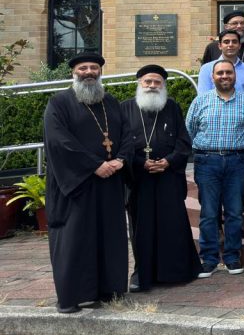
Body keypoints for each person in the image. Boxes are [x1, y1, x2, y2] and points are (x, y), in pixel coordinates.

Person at [42, 53, 130, 313]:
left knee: (109, 237)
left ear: (100, 72)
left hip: (110, 182)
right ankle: (71, 297)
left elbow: (128, 134)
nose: (89, 72)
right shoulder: (58, 103)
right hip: (76, 185)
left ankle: (107, 290)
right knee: (75, 240)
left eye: (94, 67)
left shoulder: (111, 102)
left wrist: (121, 159)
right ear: (74, 72)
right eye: (83, 68)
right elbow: (59, 142)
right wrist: (94, 165)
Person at [121, 65, 199, 293]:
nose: (152, 86)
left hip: (168, 177)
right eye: (148, 82)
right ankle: (142, 273)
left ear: (163, 85)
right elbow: (120, 144)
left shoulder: (172, 106)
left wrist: (169, 161)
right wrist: (139, 162)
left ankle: (175, 272)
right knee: (141, 227)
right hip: (139, 179)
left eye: (157, 82)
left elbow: (184, 141)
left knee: (171, 225)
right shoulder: (125, 108)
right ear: (139, 84)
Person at [185, 59, 244, 278]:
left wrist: (240, 154)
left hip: (237, 162)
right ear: (212, 76)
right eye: (220, 73)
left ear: (235, 76)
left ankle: (231, 256)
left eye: (228, 72)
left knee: (234, 212)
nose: (225, 76)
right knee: (209, 213)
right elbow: (189, 130)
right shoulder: (201, 101)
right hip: (207, 162)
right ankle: (208, 258)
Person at [198, 29, 244, 93]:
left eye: (234, 42)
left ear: (239, 46)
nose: (230, 45)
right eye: (226, 42)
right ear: (220, 46)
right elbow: (202, 97)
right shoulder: (206, 69)